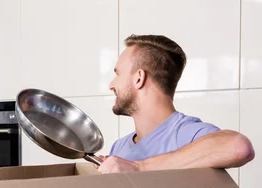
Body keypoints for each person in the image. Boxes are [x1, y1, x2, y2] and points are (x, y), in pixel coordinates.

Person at [98, 34, 254, 174]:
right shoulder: (118, 148)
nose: (111, 85)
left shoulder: (185, 135)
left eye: (117, 73)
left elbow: (239, 147)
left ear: (138, 78)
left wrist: (139, 167)